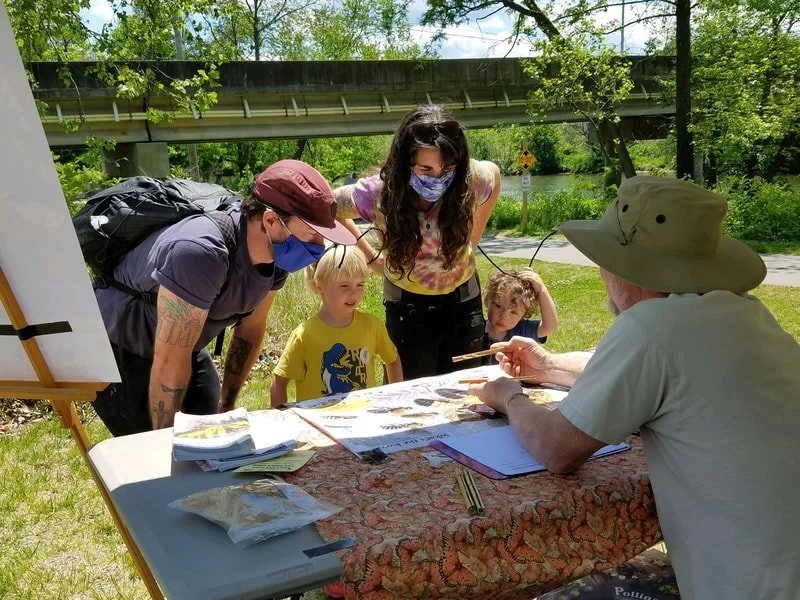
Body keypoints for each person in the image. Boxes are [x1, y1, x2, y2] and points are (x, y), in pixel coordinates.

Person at [470, 177, 800, 600]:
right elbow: (655, 377)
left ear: (629, 268)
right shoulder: (746, 314)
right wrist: (549, 366)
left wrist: (508, 395)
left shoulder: (650, 328)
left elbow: (557, 449)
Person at [92, 160, 356, 436]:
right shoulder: (200, 253)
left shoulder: (276, 254)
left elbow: (250, 330)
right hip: (122, 348)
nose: (318, 246)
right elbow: (169, 361)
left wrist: (226, 405)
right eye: (312, 234)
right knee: (154, 458)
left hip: (184, 344)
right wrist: (164, 445)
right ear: (270, 220)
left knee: (212, 441)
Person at [332, 104, 501, 379]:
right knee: (407, 398)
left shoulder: (469, 179)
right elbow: (329, 206)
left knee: (464, 393)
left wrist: (474, 235)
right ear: (405, 162)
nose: (437, 177)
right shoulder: (377, 194)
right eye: (425, 168)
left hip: (463, 301)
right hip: (407, 308)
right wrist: (372, 257)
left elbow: (494, 173)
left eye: (446, 168)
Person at [270, 245, 402, 406]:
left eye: (360, 285)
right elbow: (279, 380)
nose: (354, 293)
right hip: (319, 425)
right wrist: (282, 420)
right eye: (344, 286)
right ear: (320, 286)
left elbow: (393, 360)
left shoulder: (373, 326)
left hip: (364, 421)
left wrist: (396, 401)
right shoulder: (305, 335)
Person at [482, 268, 558, 362]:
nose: (503, 317)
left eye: (513, 312)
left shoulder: (522, 331)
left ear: (524, 314)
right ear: (487, 301)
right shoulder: (476, 330)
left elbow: (550, 326)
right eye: (498, 306)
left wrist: (542, 290)